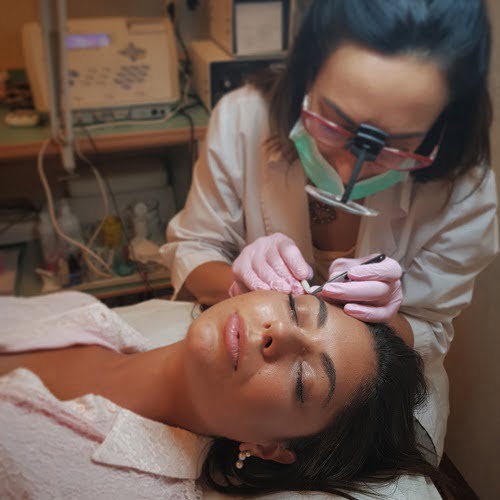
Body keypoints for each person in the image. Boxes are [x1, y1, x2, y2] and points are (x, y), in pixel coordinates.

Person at [161, 0, 499, 461]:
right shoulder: (243, 120)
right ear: (306, 73)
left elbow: (431, 328)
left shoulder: (465, 191)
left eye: (396, 146)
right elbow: (192, 248)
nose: (349, 169)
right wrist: (236, 282)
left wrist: (391, 322)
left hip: (374, 412)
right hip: (237, 388)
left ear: (440, 130)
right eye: (334, 123)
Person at [0, 291, 442, 499]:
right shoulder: (84, 312)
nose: (279, 333)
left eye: (304, 378)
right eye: (294, 308)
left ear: (270, 448)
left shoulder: (112, 490)